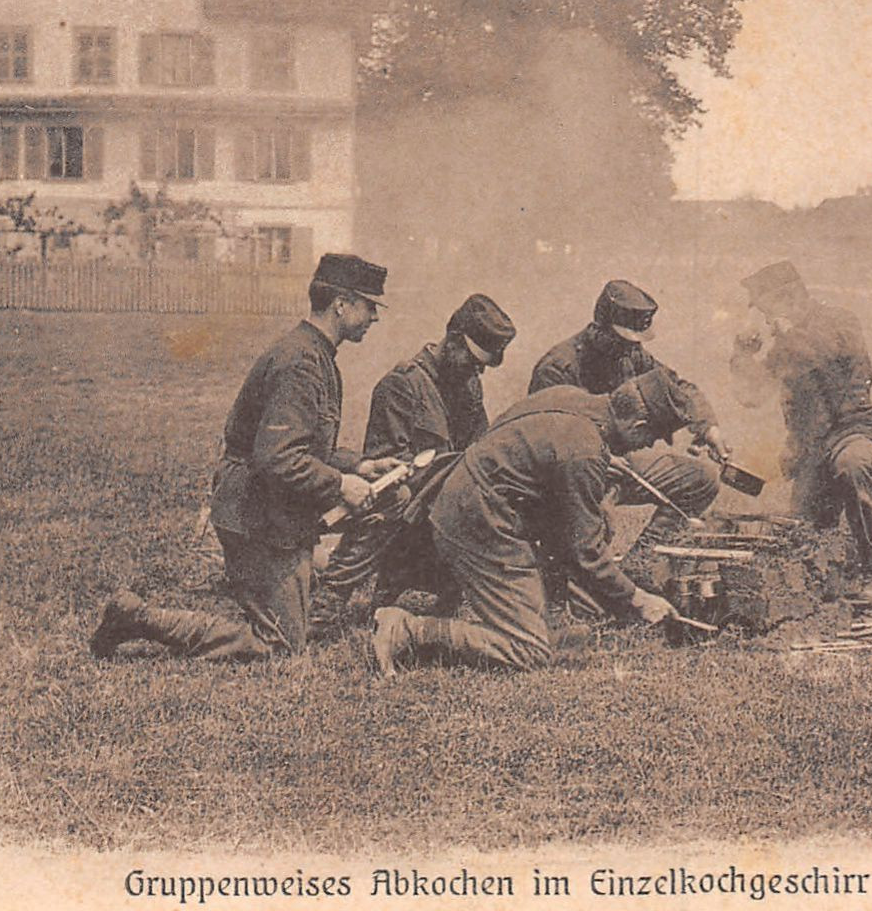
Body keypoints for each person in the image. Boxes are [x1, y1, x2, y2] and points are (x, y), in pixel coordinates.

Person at [91, 253, 400, 662]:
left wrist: (358, 466)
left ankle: (281, 597)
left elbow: (305, 447)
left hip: (273, 510)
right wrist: (343, 484)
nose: (374, 316)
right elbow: (279, 459)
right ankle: (135, 618)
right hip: (255, 516)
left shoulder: (315, 353)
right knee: (282, 647)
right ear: (341, 304)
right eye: (369, 304)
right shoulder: (302, 362)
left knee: (296, 625)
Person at [368, 369, 693, 675]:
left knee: (553, 623)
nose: (646, 446)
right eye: (650, 438)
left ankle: (547, 617)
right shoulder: (585, 450)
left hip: (469, 500)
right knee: (529, 650)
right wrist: (638, 597)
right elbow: (585, 551)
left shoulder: (569, 396)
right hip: (478, 523)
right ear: (637, 425)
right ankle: (408, 629)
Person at [322, 294, 517, 607]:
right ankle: (330, 599)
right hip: (408, 509)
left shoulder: (467, 385)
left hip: (450, 502)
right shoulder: (402, 386)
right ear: (453, 341)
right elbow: (387, 475)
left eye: (482, 367)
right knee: (393, 503)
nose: (477, 373)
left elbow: (479, 447)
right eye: (473, 361)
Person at [730, 260, 872, 602]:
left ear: (788, 298)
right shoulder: (785, 343)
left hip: (855, 432)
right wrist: (742, 355)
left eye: (765, 309)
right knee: (801, 537)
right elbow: (752, 395)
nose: (764, 319)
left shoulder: (838, 320)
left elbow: (821, 353)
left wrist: (785, 330)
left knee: (852, 466)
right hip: (812, 450)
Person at [529, 279, 729, 542]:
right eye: (623, 340)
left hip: (621, 466)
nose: (632, 349)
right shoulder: (558, 367)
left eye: (635, 342)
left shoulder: (630, 354)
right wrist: (599, 458)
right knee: (592, 533)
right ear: (600, 328)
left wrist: (709, 429)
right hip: (572, 476)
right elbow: (543, 440)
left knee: (702, 478)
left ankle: (644, 563)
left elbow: (677, 388)